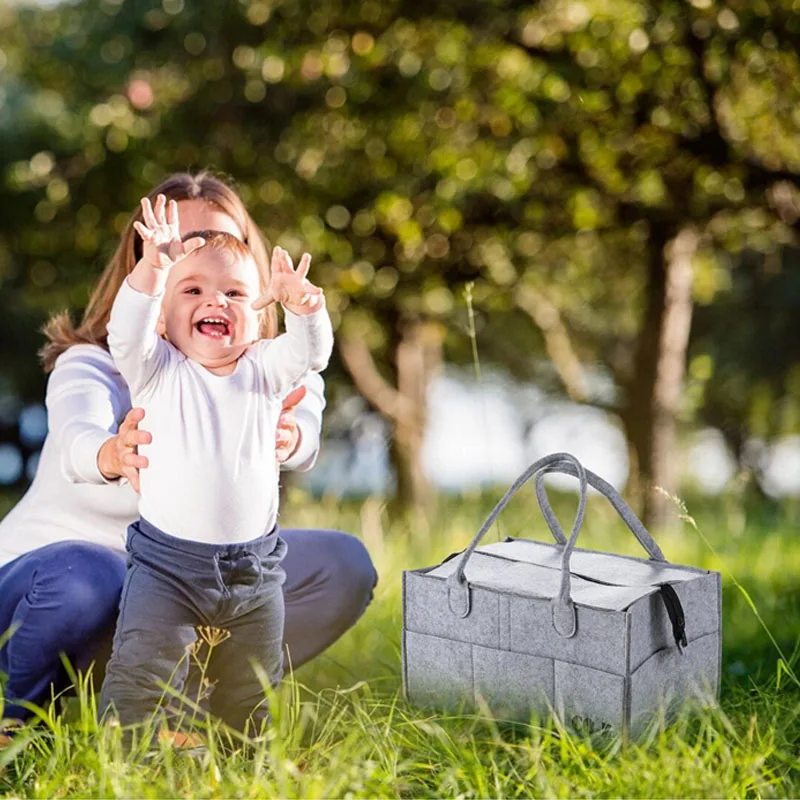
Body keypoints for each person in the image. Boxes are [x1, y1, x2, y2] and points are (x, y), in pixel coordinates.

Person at [0, 172, 377, 735]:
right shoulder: (101, 363)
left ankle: (192, 712)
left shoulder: (271, 367)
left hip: (184, 586)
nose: (205, 265)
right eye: (182, 250)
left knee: (338, 566)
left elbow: (305, 420)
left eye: (225, 251)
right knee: (92, 574)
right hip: (52, 584)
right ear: (146, 270)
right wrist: (111, 453)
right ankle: (16, 714)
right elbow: (76, 439)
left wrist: (291, 437)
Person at [99, 194, 334, 735]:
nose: (217, 302)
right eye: (194, 290)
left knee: (252, 685)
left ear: (258, 313)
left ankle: (241, 770)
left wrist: (307, 309)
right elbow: (123, 332)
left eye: (235, 293)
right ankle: (121, 762)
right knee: (143, 673)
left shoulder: (264, 368)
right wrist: (154, 266)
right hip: (167, 568)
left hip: (256, 568)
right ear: (164, 314)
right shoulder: (157, 369)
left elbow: (311, 356)